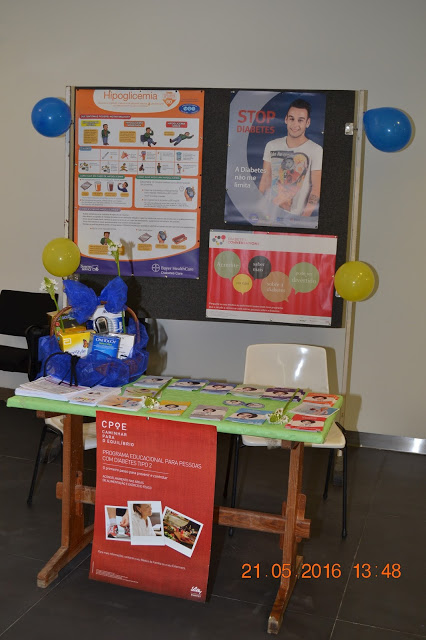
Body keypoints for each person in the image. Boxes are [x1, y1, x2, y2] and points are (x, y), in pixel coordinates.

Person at [258, 99, 322, 218]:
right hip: (269, 215)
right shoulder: (272, 145)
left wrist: (303, 219)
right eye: (292, 119)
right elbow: (265, 179)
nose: (295, 124)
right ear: (286, 119)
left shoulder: (316, 150)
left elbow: (316, 188)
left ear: (307, 122)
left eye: (300, 120)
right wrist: (257, 210)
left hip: (295, 218)